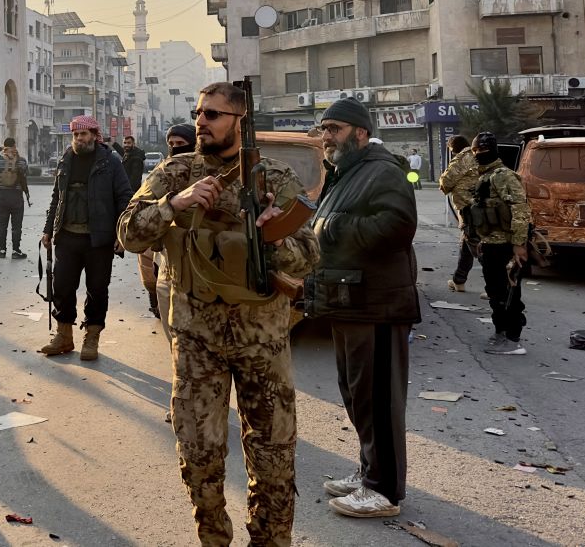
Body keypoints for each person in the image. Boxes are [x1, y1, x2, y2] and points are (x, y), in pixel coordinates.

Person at [119, 82, 320, 547]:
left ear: (239, 121)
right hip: (196, 338)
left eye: (213, 114)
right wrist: (175, 204)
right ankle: (213, 537)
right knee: (199, 454)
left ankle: (270, 541)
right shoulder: (174, 173)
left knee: (273, 456)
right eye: (198, 112)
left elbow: (309, 254)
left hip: (262, 340)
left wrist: (275, 239)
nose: (201, 121)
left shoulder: (273, 177)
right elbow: (128, 234)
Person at [310, 97, 418, 520]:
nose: (326, 138)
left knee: (379, 400)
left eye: (333, 129)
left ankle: (384, 490)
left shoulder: (383, 171)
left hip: (378, 304)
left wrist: (334, 227)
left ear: (359, 132)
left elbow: (398, 226)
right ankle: (369, 471)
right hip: (350, 300)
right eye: (323, 129)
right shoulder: (346, 172)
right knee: (357, 396)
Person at [38, 115, 133, 361]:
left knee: (97, 289)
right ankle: (64, 336)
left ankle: (92, 337)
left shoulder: (110, 162)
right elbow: (56, 199)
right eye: (76, 135)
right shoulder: (66, 160)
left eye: (84, 134)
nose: (80, 138)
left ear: (94, 134)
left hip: (98, 239)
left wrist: (121, 234)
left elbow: (125, 198)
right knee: (62, 286)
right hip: (67, 236)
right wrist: (48, 229)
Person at [464, 131, 532, 356]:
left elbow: (520, 210)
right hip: (490, 243)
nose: (479, 154)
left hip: (505, 245)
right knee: (494, 292)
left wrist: (519, 245)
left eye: (483, 150)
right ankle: (500, 332)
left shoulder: (503, 175)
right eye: (476, 151)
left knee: (509, 293)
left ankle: (513, 339)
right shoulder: (485, 176)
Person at [138, 124, 197, 322]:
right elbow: (141, 209)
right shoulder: (163, 172)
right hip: (164, 252)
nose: (175, 147)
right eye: (171, 143)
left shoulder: (202, 172)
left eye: (181, 143)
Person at [438, 135, 479, 293]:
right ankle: (458, 280)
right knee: (466, 246)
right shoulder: (479, 156)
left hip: (469, 207)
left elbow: (446, 182)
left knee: (478, 248)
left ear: (453, 148)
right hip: (484, 208)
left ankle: (497, 286)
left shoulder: (462, 158)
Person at [0, 137, 31, 259]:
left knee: (2, 224)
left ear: (5, 147)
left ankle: (2, 250)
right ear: (15, 146)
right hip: (16, 197)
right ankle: (16, 251)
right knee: (16, 226)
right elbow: (26, 173)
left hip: (2, 197)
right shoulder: (22, 161)